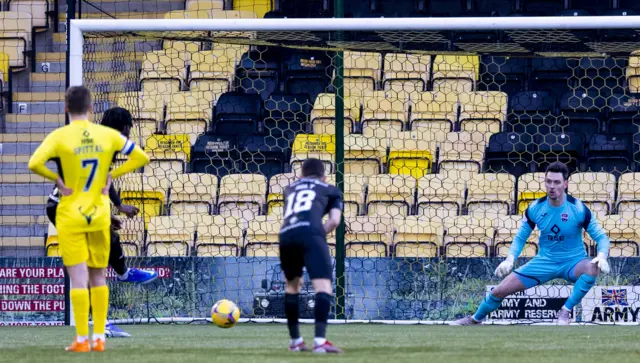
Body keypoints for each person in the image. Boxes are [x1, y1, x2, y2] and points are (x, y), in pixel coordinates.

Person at [29, 86, 150, 352]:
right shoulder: (105, 141)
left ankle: (100, 318)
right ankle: (119, 284)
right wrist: (114, 209)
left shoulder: (88, 138)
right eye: (129, 127)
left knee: (103, 248)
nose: (131, 132)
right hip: (69, 206)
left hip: (68, 205)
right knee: (90, 271)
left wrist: (115, 207)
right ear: (123, 127)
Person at [451, 162, 611, 326]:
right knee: (499, 291)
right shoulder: (535, 208)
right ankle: (475, 319)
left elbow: (601, 237)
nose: (552, 186)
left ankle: (565, 311)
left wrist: (601, 255)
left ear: (565, 184)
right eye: (548, 181)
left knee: (592, 267)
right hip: (544, 262)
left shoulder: (578, 209)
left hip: (573, 262)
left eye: (556, 182)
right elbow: (521, 237)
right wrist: (509, 259)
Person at [279, 158, 343, 354]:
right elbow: (334, 221)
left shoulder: (289, 189)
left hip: (286, 235)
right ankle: (320, 341)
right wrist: (317, 233)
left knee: (292, 286)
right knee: (323, 286)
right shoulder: (330, 189)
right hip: (311, 234)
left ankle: (296, 341)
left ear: (301, 175)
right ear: (324, 176)